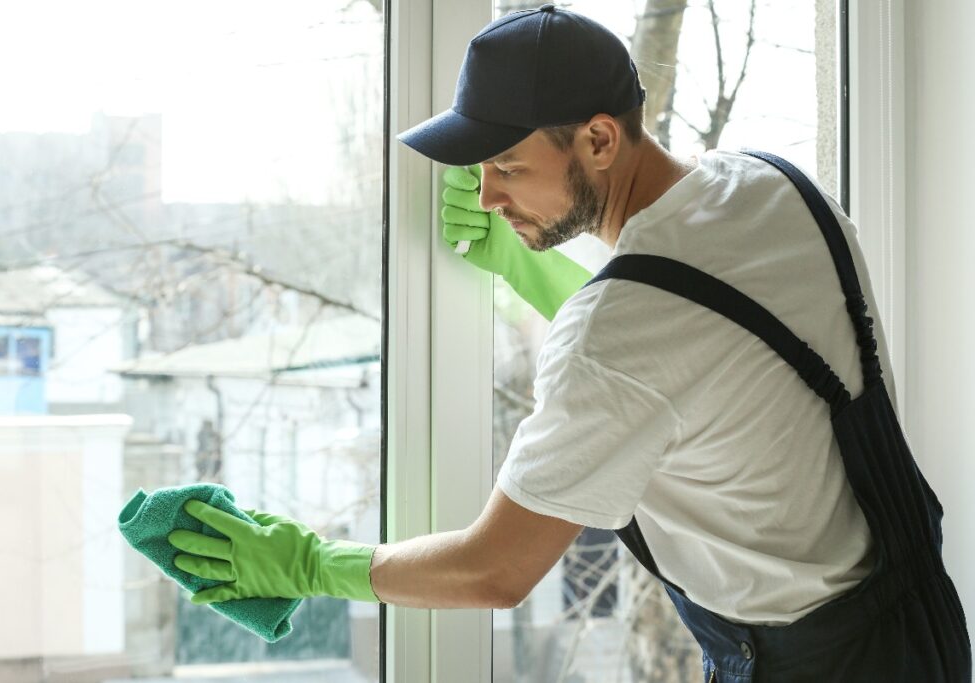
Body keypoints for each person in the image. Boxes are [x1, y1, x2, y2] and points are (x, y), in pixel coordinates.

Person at [166, 6, 970, 680]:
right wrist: (551, 279)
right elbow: (700, 353)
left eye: (509, 167)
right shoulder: (772, 185)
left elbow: (497, 568)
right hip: (920, 619)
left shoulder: (619, 330)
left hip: (810, 662)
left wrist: (310, 564)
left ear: (597, 139)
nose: (487, 195)